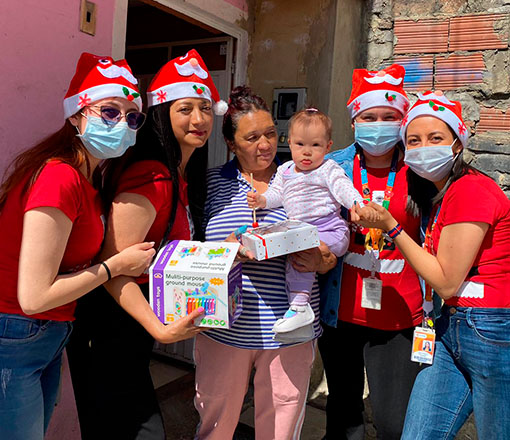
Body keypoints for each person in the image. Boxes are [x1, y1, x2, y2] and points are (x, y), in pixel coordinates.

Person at [66, 49, 227, 439]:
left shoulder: (181, 176)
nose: (199, 119)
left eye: (205, 108)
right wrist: (161, 330)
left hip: (132, 328)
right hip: (110, 326)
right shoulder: (152, 176)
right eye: (184, 108)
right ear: (161, 114)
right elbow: (112, 269)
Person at [0, 52, 155, 440]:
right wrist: (113, 266)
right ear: (75, 115)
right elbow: (34, 296)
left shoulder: (87, 180)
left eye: (131, 116)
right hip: (17, 331)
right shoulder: (59, 178)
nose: (122, 124)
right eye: (109, 112)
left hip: (49, 333)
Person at [352, 90, 510, 440]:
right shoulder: (438, 193)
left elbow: (447, 281)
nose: (424, 147)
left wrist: (390, 227)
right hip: (452, 326)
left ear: (457, 143)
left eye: (435, 138)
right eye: (414, 140)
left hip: (491, 328)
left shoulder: (470, 190)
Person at [194, 86, 338, 440]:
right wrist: (224, 250)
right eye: (252, 137)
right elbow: (189, 251)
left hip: (290, 332)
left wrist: (322, 259)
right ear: (231, 143)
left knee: (280, 430)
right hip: (223, 330)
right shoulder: (210, 183)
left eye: (271, 133)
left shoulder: (303, 177)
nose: (265, 144)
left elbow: (332, 246)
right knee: (215, 425)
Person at [318, 64, 424, 439]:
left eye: (389, 116)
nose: (379, 124)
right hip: (341, 313)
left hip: (400, 315)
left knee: (395, 422)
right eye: (369, 116)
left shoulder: (421, 168)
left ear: (402, 120)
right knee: (344, 416)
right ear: (354, 120)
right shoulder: (333, 167)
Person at [247, 108, 377, 336]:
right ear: (290, 143)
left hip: (330, 229)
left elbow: (344, 188)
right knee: (295, 260)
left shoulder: (328, 169)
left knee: (306, 251)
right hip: (301, 231)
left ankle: (299, 306)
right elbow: (278, 195)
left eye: (315, 146)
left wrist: (358, 204)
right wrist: (262, 200)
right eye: (300, 145)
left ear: (328, 147)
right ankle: (298, 305)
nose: (306, 153)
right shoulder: (285, 170)